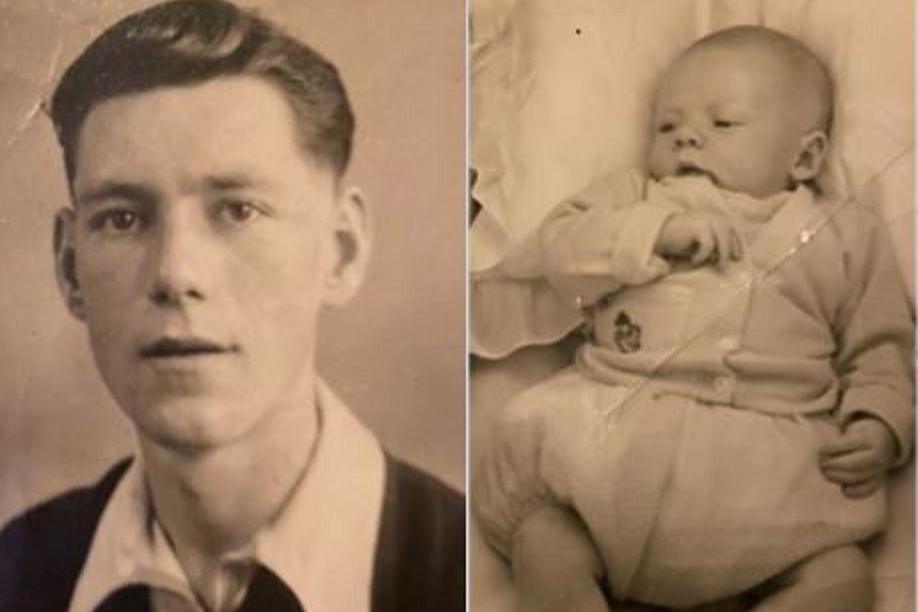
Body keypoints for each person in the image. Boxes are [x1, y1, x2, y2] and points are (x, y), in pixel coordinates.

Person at [0, 1, 464, 610]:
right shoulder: (19, 571)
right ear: (70, 269)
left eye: (238, 210)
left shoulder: (459, 575)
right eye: (123, 218)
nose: (175, 273)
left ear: (341, 250)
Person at [473, 25, 913, 612]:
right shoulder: (635, 197)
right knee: (544, 541)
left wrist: (878, 424)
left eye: (722, 123)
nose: (687, 142)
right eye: (667, 126)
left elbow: (881, 345)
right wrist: (649, 232)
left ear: (804, 156)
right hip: (607, 463)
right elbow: (557, 248)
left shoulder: (847, 235)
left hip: (774, 499)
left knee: (842, 579)